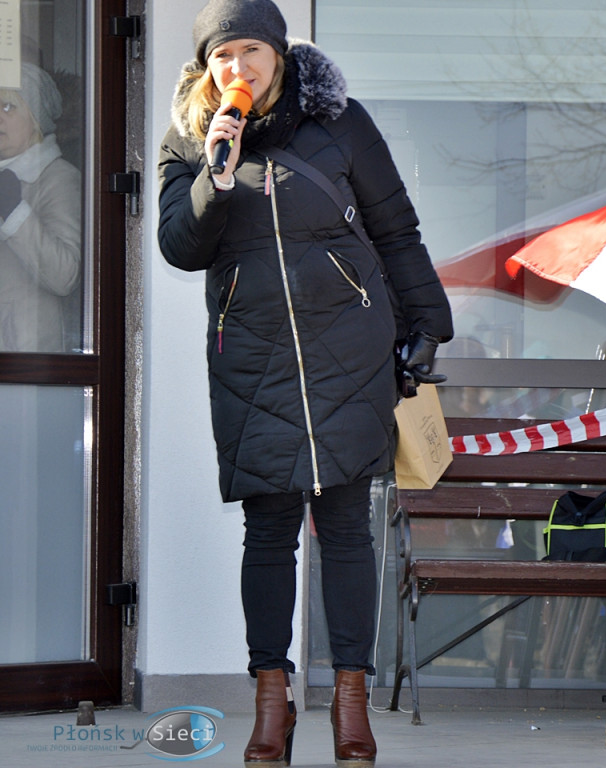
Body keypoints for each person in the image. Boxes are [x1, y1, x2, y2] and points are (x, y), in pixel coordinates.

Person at [157, 1, 453, 765]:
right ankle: (271, 698)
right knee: (269, 532)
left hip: (348, 349)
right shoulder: (193, 136)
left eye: (250, 50)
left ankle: (351, 699)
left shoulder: (341, 122)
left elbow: (395, 228)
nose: (237, 69)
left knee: (349, 531)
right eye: (222, 57)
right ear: (207, 67)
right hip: (253, 356)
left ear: (279, 53)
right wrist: (213, 179)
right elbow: (179, 248)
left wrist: (426, 325)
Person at [0, 62, 81, 352]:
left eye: (8, 107)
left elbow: (64, 275)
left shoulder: (57, 177)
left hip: (25, 357)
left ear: (36, 118)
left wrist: (15, 213)